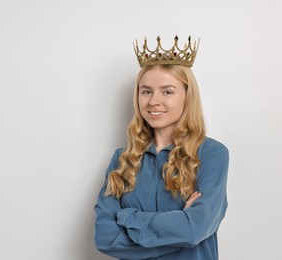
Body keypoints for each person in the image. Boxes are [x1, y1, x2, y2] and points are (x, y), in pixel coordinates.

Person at [94, 36, 229, 260]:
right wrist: (180, 228)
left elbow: (195, 229)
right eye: (146, 91)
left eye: (167, 91)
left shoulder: (212, 154)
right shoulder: (122, 160)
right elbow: (104, 238)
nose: (154, 101)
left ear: (188, 96)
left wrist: (127, 218)